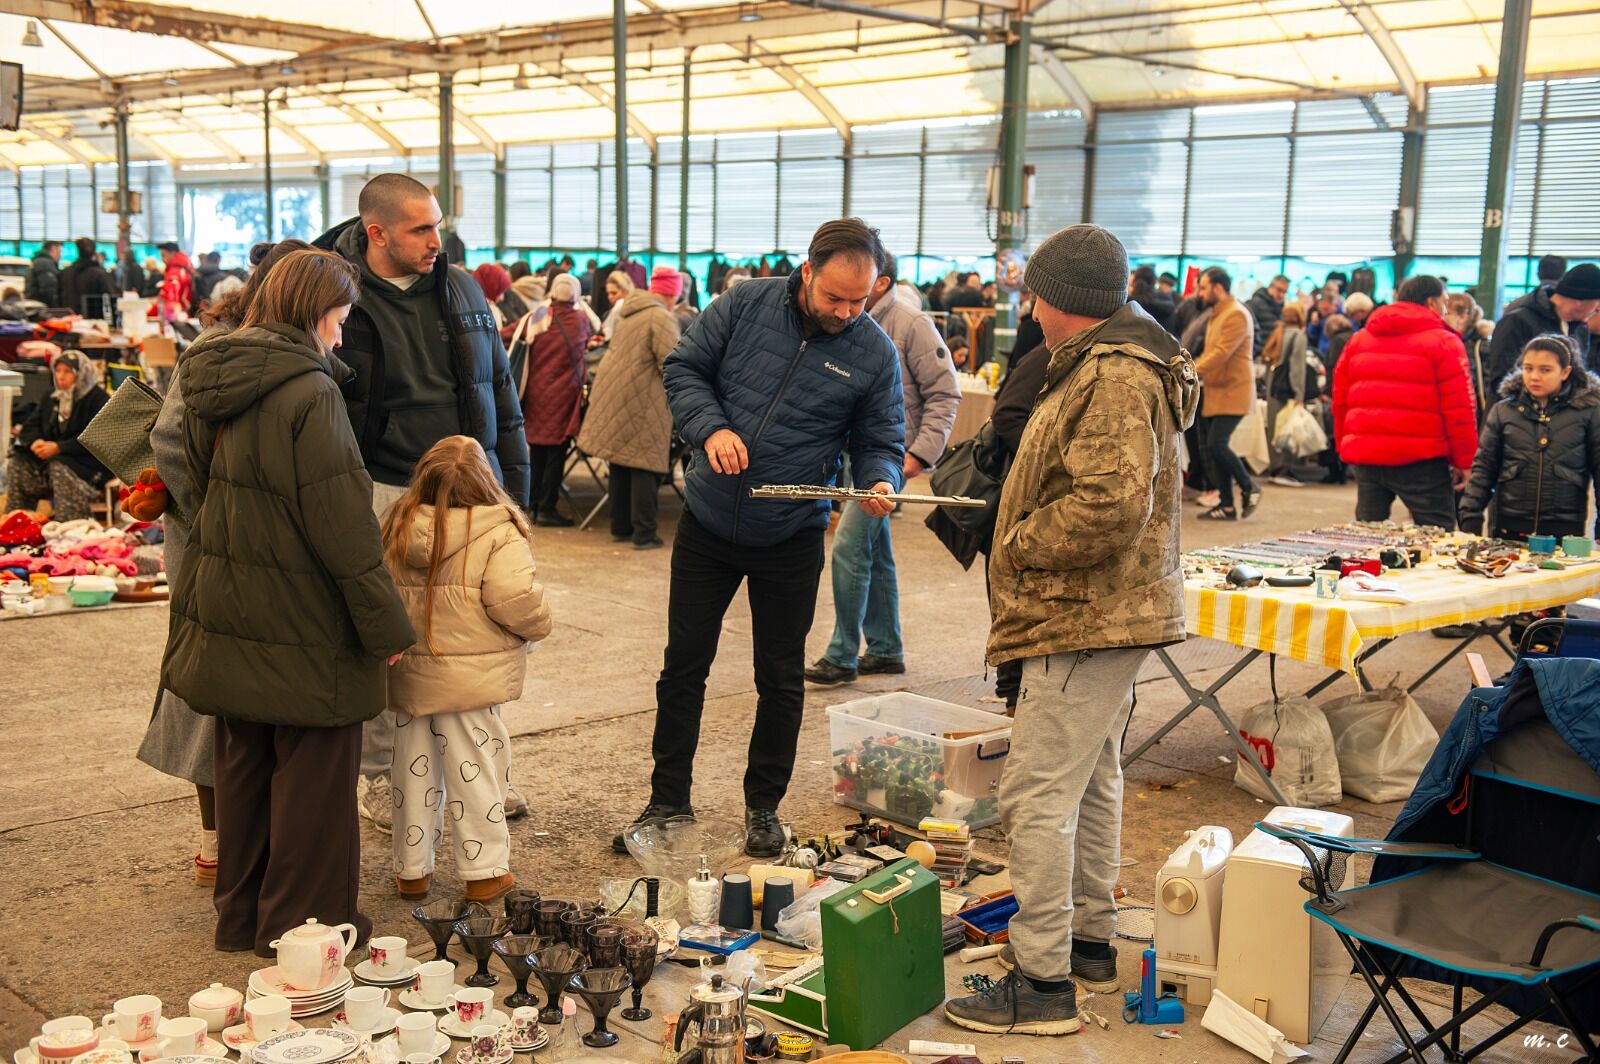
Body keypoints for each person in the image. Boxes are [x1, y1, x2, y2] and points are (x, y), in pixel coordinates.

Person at [945, 224, 1196, 1036]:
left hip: (1080, 614)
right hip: (1098, 611)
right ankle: (1086, 940)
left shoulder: (1115, 376)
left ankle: (1041, 979)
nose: (1027, 305)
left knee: (1035, 796)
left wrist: (1017, 547)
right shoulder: (1107, 363)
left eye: (1032, 292)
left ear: (1055, 299)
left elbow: (1109, 505)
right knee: (1089, 780)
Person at [612, 218, 905, 858]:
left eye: (862, 300)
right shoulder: (744, 303)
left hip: (791, 532)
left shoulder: (873, 351)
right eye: (835, 298)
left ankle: (763, 808)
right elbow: (685, 369)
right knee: (683, 666)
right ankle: (667, 801)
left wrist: (881, 480)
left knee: (780, 676)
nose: (847, 312)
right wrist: (710, 429)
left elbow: (881, 439)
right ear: (808, 272)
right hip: (710, 521)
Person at [161, 248, 416, 954]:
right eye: (341, 316)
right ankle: (304, 927)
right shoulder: (311, 392)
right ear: (316, 311)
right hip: (302, 614)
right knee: (313, 776)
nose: (342, 332)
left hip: (227, 600)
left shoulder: (209, 371)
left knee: (243, 765)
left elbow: (198, 482)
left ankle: (242, 918)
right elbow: (342, 523)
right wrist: (384, 625)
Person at [316, 174, 532, 829]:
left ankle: (480, 774)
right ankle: (386, 781)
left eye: (438, 225)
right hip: (383, 489)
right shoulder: (333, 293)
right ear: (376, 232)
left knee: (476, 640)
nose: (438, 240)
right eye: (421, 229)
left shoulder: (462, 286)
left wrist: (513, 495)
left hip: (469, 494)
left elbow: (499, 387)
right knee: (389, 643)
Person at [139, 238, 312, 888]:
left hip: (250, 548)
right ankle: (218, 842)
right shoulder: (215, 351)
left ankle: (250, 839)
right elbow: (171, 446)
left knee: (252, 694)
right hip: (213, 551)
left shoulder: (284, 347)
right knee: (208, 694)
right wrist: (226, 517)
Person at [382, 436, 553, 903]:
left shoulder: (397, 522)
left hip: (411, 678)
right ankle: (483, 872)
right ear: (486, 479)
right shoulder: (498, 530)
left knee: (411, 774)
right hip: (471, 687)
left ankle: (412, 871)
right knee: (476, 772)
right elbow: (515, 601)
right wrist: (539, 624)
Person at [807, 252, 960, 685]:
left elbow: (946, 394)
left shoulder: (911, 323)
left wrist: (916, 457)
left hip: (887, 462)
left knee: (848, 548)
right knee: (874, 553)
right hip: (852, 458)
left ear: (879, 280)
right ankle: (886, 648)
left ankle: (841, 654)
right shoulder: (843, 320)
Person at [1332, 275, 1477, 529]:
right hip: (1422, 461)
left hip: (1368, 458)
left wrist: (1345, 445)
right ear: (1431, 302)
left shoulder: (1359, 340)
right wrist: (1465, 461)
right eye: (1444, 302)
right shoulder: (1445, 343)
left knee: (1366, 539)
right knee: (1436, 537)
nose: (1445, 309)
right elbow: (1460, 409)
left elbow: (1340, 398)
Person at [575, 271, 680, 550]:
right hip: (643, 399)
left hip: (616, 394)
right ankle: (644, 533)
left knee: (621, 462)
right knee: (644, 464)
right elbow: (671, 364)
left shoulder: (630, 312)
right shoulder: (660, 317)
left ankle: (620, 526)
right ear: (671, 294)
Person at [1459, 335, 1600, 542]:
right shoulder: (1504, 411)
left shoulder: (1589, 412)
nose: (1534, 376)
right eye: (1528, 368)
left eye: (1545, 370)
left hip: (1564, 528)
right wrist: (1470, 515)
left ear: (1566, 372)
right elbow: (1484, 467)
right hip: (1510, 525)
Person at [6, 349, 111, 522]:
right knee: (18, 462)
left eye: (68, 371)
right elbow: (29, 426)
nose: (61, 376)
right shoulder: (52, 396)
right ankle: (19, 524)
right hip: (50, 465)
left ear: (82, 373)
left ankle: (68, 526)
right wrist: (36, 442)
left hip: (85, 468)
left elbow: (98, 439)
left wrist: (59, 448)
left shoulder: (98, 399)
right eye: (58, 371)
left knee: (59, 466)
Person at [522, 273, 591, 527]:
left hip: (537, 392)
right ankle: (548, 507)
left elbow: (513, 335)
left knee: (536, 451)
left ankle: (530, 505)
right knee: (556, 451)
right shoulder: (580, 319)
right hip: (564, 394)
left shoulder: (539, 315)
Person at [1194, 267, 1259, 520]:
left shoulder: (1236, 315)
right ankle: (1227, 505)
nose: (1199, 293)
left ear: (1218, 288)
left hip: (1234, 391)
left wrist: (1191, 371)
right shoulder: (1218, 314)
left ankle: (1249, 486)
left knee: (1217, 444)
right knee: (1213, 449)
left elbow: (1221, 353)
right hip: (1217, 390)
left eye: (1203, 287)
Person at [1487, 264, 1600, 384]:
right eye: (1597, 302)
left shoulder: (1580, 330)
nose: (1597, 309)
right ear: (1580, 301)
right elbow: (1502, 379)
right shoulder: (1517, 322)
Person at [1262, 302, 1311, 486]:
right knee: (1287, 429)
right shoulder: (1298, 336)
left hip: (1273, 388)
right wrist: (1300, 394)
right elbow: (1297, 369)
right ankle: (1284, 469)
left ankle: (1275, 467)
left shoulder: (1278, 332)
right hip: (1287, 390)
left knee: (1275, 428)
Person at [1443, 292, 1495, 421]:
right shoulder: (1443, 341)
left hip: (1474, 414)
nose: (1442, 318)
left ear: (1463, 316)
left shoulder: (1481, 346)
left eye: (1446, 313)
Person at [58, 237, 117, 318]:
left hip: (69, 321)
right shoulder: (101, 275)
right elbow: (110, 301)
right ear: (94, 252)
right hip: (95, 324)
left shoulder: (65, 273)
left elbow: (58, 298)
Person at [1246, 274, 1289, 355]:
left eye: (1284, 292)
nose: (1281, 295)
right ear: (1271, 286)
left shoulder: (1281, 308)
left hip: (1271, 356)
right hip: (1256, 356)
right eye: (1279, 290)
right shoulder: (1255, 304)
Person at [1128, 265, 1175, 333]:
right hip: (1161, 342)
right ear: (1155, 281)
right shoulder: (1166, 300)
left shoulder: (1129, 303)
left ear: (1134, 281)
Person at [156, 242, 194, 320]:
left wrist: (151, 311)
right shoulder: (183, 267)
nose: (162, 259)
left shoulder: (175, 271)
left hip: (177, 316)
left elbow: (171, 298)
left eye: (163, 255)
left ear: (172, 253)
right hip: (182, 314)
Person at [472, 263, 513, 330]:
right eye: (499, 292)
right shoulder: (490, 310)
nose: (502, 298)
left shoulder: (471, 303)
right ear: (491, 286)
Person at [24, 241, 61, 306]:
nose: (60, 255)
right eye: (59, 252)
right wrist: (55, 307)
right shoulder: (45, 263)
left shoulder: (38, 261)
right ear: (53, 249)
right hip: (41, 306)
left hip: (34, 304)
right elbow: (48, 289)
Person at [599, 270, 635, 337]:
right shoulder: (607, 314)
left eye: (614, 293)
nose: (609, 297)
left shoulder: (635, 313)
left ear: (626, 291)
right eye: (608, 293)